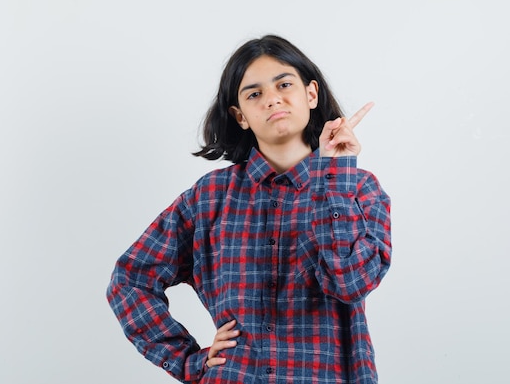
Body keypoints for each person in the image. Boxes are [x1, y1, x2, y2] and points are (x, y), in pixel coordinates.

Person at [106, 34, 391, 384]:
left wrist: (334, 174)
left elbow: (350, 283)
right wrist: (186, 360)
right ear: (240, 116)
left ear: (311, 94)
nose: (272, 99)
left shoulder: (359, 189)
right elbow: (130, 280)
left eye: (284, 84)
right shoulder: (208, 197)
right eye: (255, 94)